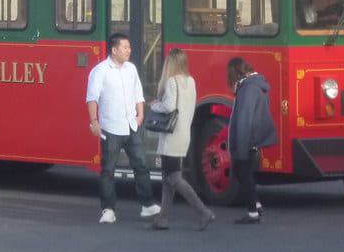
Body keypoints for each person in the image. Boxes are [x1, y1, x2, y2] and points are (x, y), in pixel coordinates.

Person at [86, 32, 161, 223]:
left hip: (131, 125)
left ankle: (147, 205)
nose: (129, 50)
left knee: (141, 166)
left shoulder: (131, 69)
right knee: (108, 170)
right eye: (125, 47)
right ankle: (108, 209)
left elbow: (138, 94)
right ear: (114, 50)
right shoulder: (100, 71)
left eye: (129, 47)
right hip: (111, 127)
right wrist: (94, 121)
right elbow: (92, 98)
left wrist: (140, 115)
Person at [148, 48, 214, 231]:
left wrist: (155, 105)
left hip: (172, 135)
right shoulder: (190, 81)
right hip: (184, 132)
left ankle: (203, 211)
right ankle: (163, 218)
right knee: (168, 178)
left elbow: (169, 107)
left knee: (174, 177)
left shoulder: (171, 82)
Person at [227, 57, 278, 224]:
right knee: (246, 174)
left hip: (246, 141)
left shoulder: (247, 89)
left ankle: (252, 212)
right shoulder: (255, 85)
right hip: (254, 139)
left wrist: (239, 148)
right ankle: (256, 205)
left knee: (242, 173)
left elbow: (244, 119)